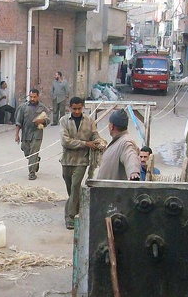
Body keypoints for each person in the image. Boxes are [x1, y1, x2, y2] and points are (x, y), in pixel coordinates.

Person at [60, 97, 104, 229]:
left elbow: (94, 134)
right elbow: (65, 141)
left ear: (83, 107)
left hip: (82, 160)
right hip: (67, 160)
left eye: (79, 108)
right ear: (70, 108)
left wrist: (98, 141)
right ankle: (78, 209)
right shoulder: (64, 121)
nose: (77, 111)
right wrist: (85, 144)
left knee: (75, 187)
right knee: (71, 189)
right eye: (75, 109)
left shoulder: (89, 121)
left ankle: (70, 217)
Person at [95, 109, 140, 181]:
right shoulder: (118, 141)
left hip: (116, 191)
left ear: (111, 126)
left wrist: (133, 172)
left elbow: (130, 155)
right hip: (105, 190)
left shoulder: (125, 142)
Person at [15, 88, 49, 180]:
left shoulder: (42, 107)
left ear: (38, 97)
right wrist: (17, 134)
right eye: (31, 97)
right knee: (26, 151)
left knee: (33, 153)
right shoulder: (23, 107)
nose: (32, 99)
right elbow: (18, 121)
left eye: (34, 97)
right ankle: (36, 160)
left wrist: (41, 120)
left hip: (37, 134)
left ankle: (32, 173)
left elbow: (48, 119)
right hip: (26, 133)